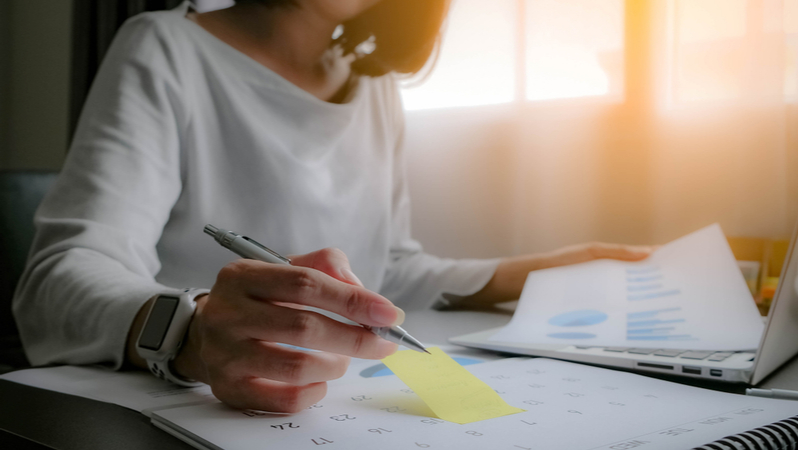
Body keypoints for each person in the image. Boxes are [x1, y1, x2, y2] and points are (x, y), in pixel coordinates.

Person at [13, 0, 654, 413]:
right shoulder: (165, 47)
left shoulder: (375, 90)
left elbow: (388, 269)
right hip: (188, 410)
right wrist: (190, 333)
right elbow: (56, 283)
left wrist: (528, 271)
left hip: (335, 401)